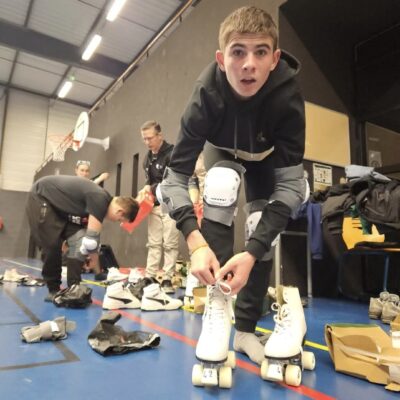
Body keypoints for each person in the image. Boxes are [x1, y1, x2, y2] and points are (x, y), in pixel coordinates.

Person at [159, 6, 307, 369]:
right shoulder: (205, 95)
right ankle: (217, 306)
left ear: (274, 59)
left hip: (267, 159)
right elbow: (173, 180)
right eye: (238, 52)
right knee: (220, 186)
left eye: (260, 52)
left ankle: (244, 330)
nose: (248, 65)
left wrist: (253, 252)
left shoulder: (287, 96)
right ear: (221, 60)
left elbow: (291, 187)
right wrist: (195, 243)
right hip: (221, 150)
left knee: (261, 225)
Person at [26, 175, 139, 301]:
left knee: (79, 241)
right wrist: (94, 260)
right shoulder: (99, 198)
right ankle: (54, 289)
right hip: (42, 196)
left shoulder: (101, 201)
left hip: (61, 209)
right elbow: (91, 240)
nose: (115, 221)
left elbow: (89, 237)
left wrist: (90, 256)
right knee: (52, 245)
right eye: (119, 220)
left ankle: (74, 287)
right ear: (120, 212)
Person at [137, 120, 180, 294]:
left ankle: (168, 278)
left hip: (170, 203)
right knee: (153, 243)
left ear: (159, 135)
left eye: (150, 138)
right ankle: (150, 276)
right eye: (144, 139)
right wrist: (145, 190)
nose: (147, 142)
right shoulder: (147, 157)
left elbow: (171, 181)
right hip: (153, 205)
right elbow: (149, 180)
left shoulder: (172, 153)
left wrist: (151, 188)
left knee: (170, 243)